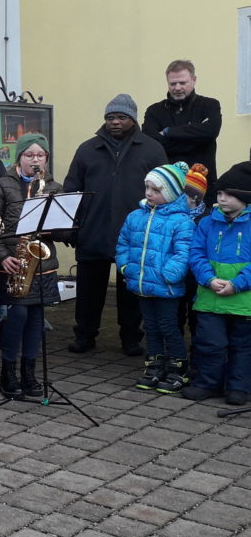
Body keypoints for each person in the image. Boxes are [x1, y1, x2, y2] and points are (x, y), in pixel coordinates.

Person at [63, 94, 168, 356]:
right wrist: (69, 228)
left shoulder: (153, 149)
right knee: (89, 290)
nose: (115, 122)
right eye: (110, 117)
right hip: (93, 230)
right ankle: (85, 335)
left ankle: (131, 338)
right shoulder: (87, 149)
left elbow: (165, 191)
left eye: (121, 117)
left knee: (130, 290)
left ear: (132, 119)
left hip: (135, 234)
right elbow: (71, 190)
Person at [0, 134, 65, 399]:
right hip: (14, 262)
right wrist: (1, 256)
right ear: (19, 158)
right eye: (29, 155)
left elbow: (63, 230)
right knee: (17, 316)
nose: (35, 160)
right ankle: (8, 373)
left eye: (40, 155)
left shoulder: (54, 187)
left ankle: (30, 373)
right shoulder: (3, 185)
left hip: (43, 264)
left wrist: (57, 227)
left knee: (37, 320)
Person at [115, 162, 196, 394]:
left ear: (170, 193)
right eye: (147, 188)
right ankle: (154, 366)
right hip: (141, 284)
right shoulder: (135, 216)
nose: (149, 193)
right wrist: (126, 268)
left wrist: (168, 275)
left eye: (157, 190)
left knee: (169, 326)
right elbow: (123, 244)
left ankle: (177, 368)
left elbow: (184, 253)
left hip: (166, 287)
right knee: (150, 327)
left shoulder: (182, 221)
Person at [182, 162, 251, 405]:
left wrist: (238, 284)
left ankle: (238, 387)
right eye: (219, 193)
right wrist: (209, 279)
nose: (221, 199)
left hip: (244, 303)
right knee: (208, 343)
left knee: (242, 346)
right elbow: (196, 254)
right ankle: (207, 383)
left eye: (229, 194)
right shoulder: (207, 222)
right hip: (210, 298)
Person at [142, 60, 223, 204]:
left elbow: (210, 131)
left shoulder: (209, 105)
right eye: (173, 84)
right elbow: (152, 142)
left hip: (202, 188)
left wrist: (168, 132)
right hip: (164, 189)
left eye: (182, 83)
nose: (177, 88)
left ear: (194, 80)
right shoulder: (154, 111)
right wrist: (195, 139)